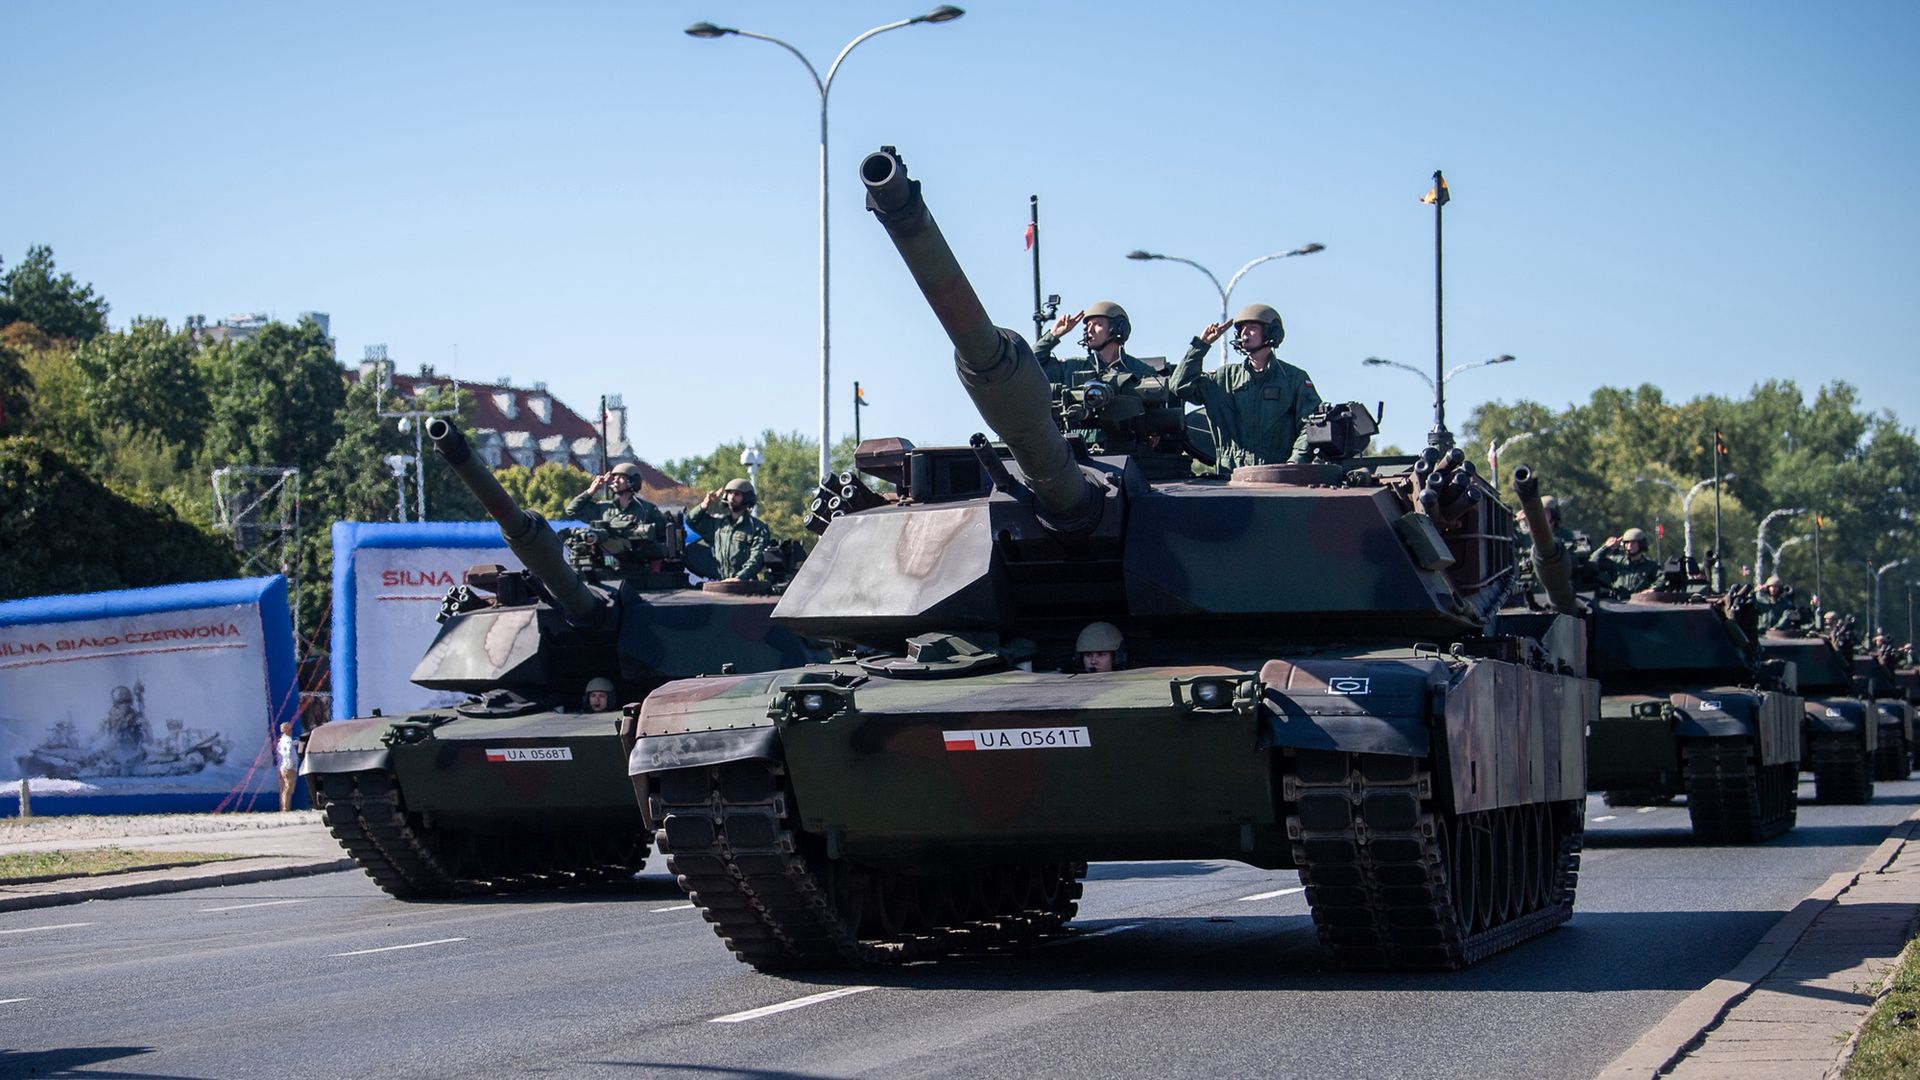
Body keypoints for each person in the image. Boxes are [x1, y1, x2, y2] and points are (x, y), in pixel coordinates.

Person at [1170, 303, 1322, 471]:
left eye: (1252, 327)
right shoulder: (1224, 379)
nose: (1244, 333)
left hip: (1278, 479)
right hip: (1230, 479)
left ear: (1272, 332)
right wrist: (1202, 345)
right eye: (1242, 328)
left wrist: (1295, 463)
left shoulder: (1294, 379)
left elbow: (1311, 424)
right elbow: (1180, 386)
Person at [1034, 301, 1171, 452]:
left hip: (1126, 451)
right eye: (1087, 326)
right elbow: (1029, 365)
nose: (1089, 330)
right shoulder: (1072, 368)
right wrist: (1054, 335)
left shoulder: (1142, 372)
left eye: (1097, 324)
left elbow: (1157, 415)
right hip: (1078, 450)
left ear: (1119, 328)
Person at [565, 462, 672, 560]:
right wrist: (591, 491)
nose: (615, 480)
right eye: (614, 477)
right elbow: (571, 510)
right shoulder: (604, 508)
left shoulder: (646, 509)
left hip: (636, 561)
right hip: (605, 561)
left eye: (621, 478)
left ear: (632, 481)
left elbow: (665, 534)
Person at [687, 478, 771, 583]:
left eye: (737, 494)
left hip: (744, 585)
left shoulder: (757, 527)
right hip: (720, 582)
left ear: (747, 498)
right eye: (730, 493)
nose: (732, 497)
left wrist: (740, 577)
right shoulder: (719, 524)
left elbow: (757, 558)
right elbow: (691, 521)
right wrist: (705, 505)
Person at [1593, 527, 1660, 596]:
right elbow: (1593, 562)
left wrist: (1653, 589)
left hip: (1640, 602)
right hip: (1618, 602)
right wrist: (1606, 547)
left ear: (1641, 544)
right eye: (1627, 543)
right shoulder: (1616, 562)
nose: (1629, 546)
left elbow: (1662, 578)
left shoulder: (1650, 566)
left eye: (1633, 543)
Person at [276, 721, 300, 812]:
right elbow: (288, 752)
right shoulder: (288, 741)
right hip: (289, 767)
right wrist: (291, 763)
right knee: (288, 789)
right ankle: (286, 808)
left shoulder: (282, 740)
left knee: (284, 789)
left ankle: (284, 807)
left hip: (283, 767)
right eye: (290, 729)